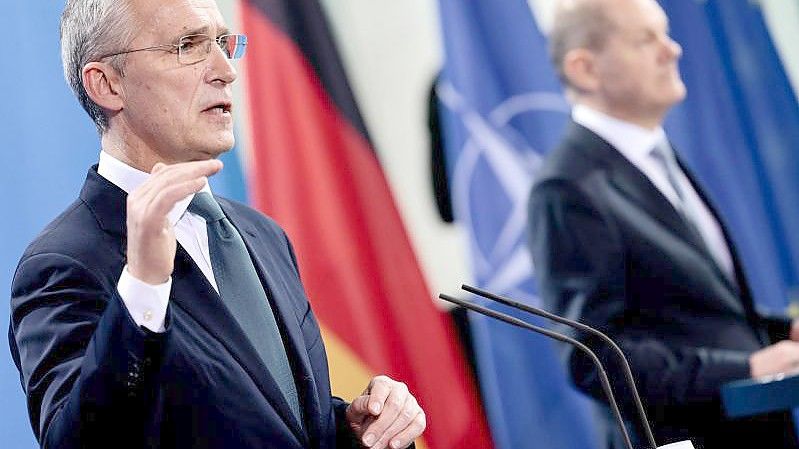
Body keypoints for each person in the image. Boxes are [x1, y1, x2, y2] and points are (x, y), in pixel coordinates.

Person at [8, 0, 426, 448]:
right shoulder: (62, 262)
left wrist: (354, 428)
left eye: (223, 44)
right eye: (188, 45)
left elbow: (269, 419)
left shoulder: (263, 235)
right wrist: (145, 283)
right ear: (107, 85)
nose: (226, 70)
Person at [528, 0, 799, 447]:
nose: (672, 50)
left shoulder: (657, 156)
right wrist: (749, 367)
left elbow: (686, 315)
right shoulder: (567, 188)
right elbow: (596, 356)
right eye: (645, 39)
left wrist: (777, 333)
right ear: (585, 69)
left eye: (665, 32)